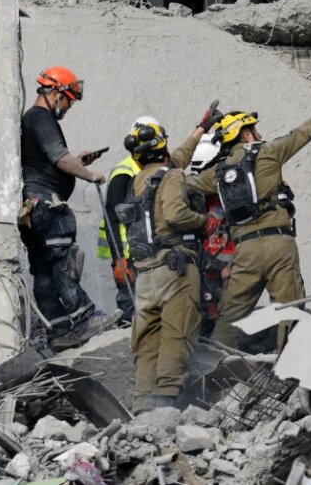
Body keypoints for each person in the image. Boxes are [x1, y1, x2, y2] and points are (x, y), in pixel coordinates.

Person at [188, 93, 311, 350]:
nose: (258, 132)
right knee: (289, 313)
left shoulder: (216, 173)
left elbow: (178, 184)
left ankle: (212, 375)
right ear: (245, 135)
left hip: (245, 252)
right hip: (280, 245)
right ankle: (288, 372)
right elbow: (303, 133)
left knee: (229, 318)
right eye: (253, 129)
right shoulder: (269, 152)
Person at [122, 109, 222, 414]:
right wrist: (204, 223)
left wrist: (199, 129)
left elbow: (173, 162)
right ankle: (165, 406)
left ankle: (143, 405)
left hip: (145, 274)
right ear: (162, 148)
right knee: (176, 336)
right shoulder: (173, 176)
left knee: (147, 341)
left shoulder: (140, 179)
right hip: (174, 270)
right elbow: (178, 214)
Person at [18, 66, 109, 351]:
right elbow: (59, 158)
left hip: (32, 208)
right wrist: (88, 174)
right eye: (68, 99)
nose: (69, 106)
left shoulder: (31, 120)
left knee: (44, 273)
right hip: (47, 205)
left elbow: (53, 159)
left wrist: (79, 161)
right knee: (63, 264)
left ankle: (60, 333)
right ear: (55, 93)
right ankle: (85, 320)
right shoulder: (41, 118)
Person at [96, 116, 160, 325]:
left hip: (141, 252)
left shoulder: (146, 168)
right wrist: (119, 261)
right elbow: (111, 217)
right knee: (132, 310)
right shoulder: (124, 173)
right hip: (127, 255)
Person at [187, 136, 234, 337]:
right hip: (207, 270)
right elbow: (192, 241)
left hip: (233, 266)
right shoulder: (190, 196)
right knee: (209, 320)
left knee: (233, 318)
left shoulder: (229, 189)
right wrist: (216, 267)